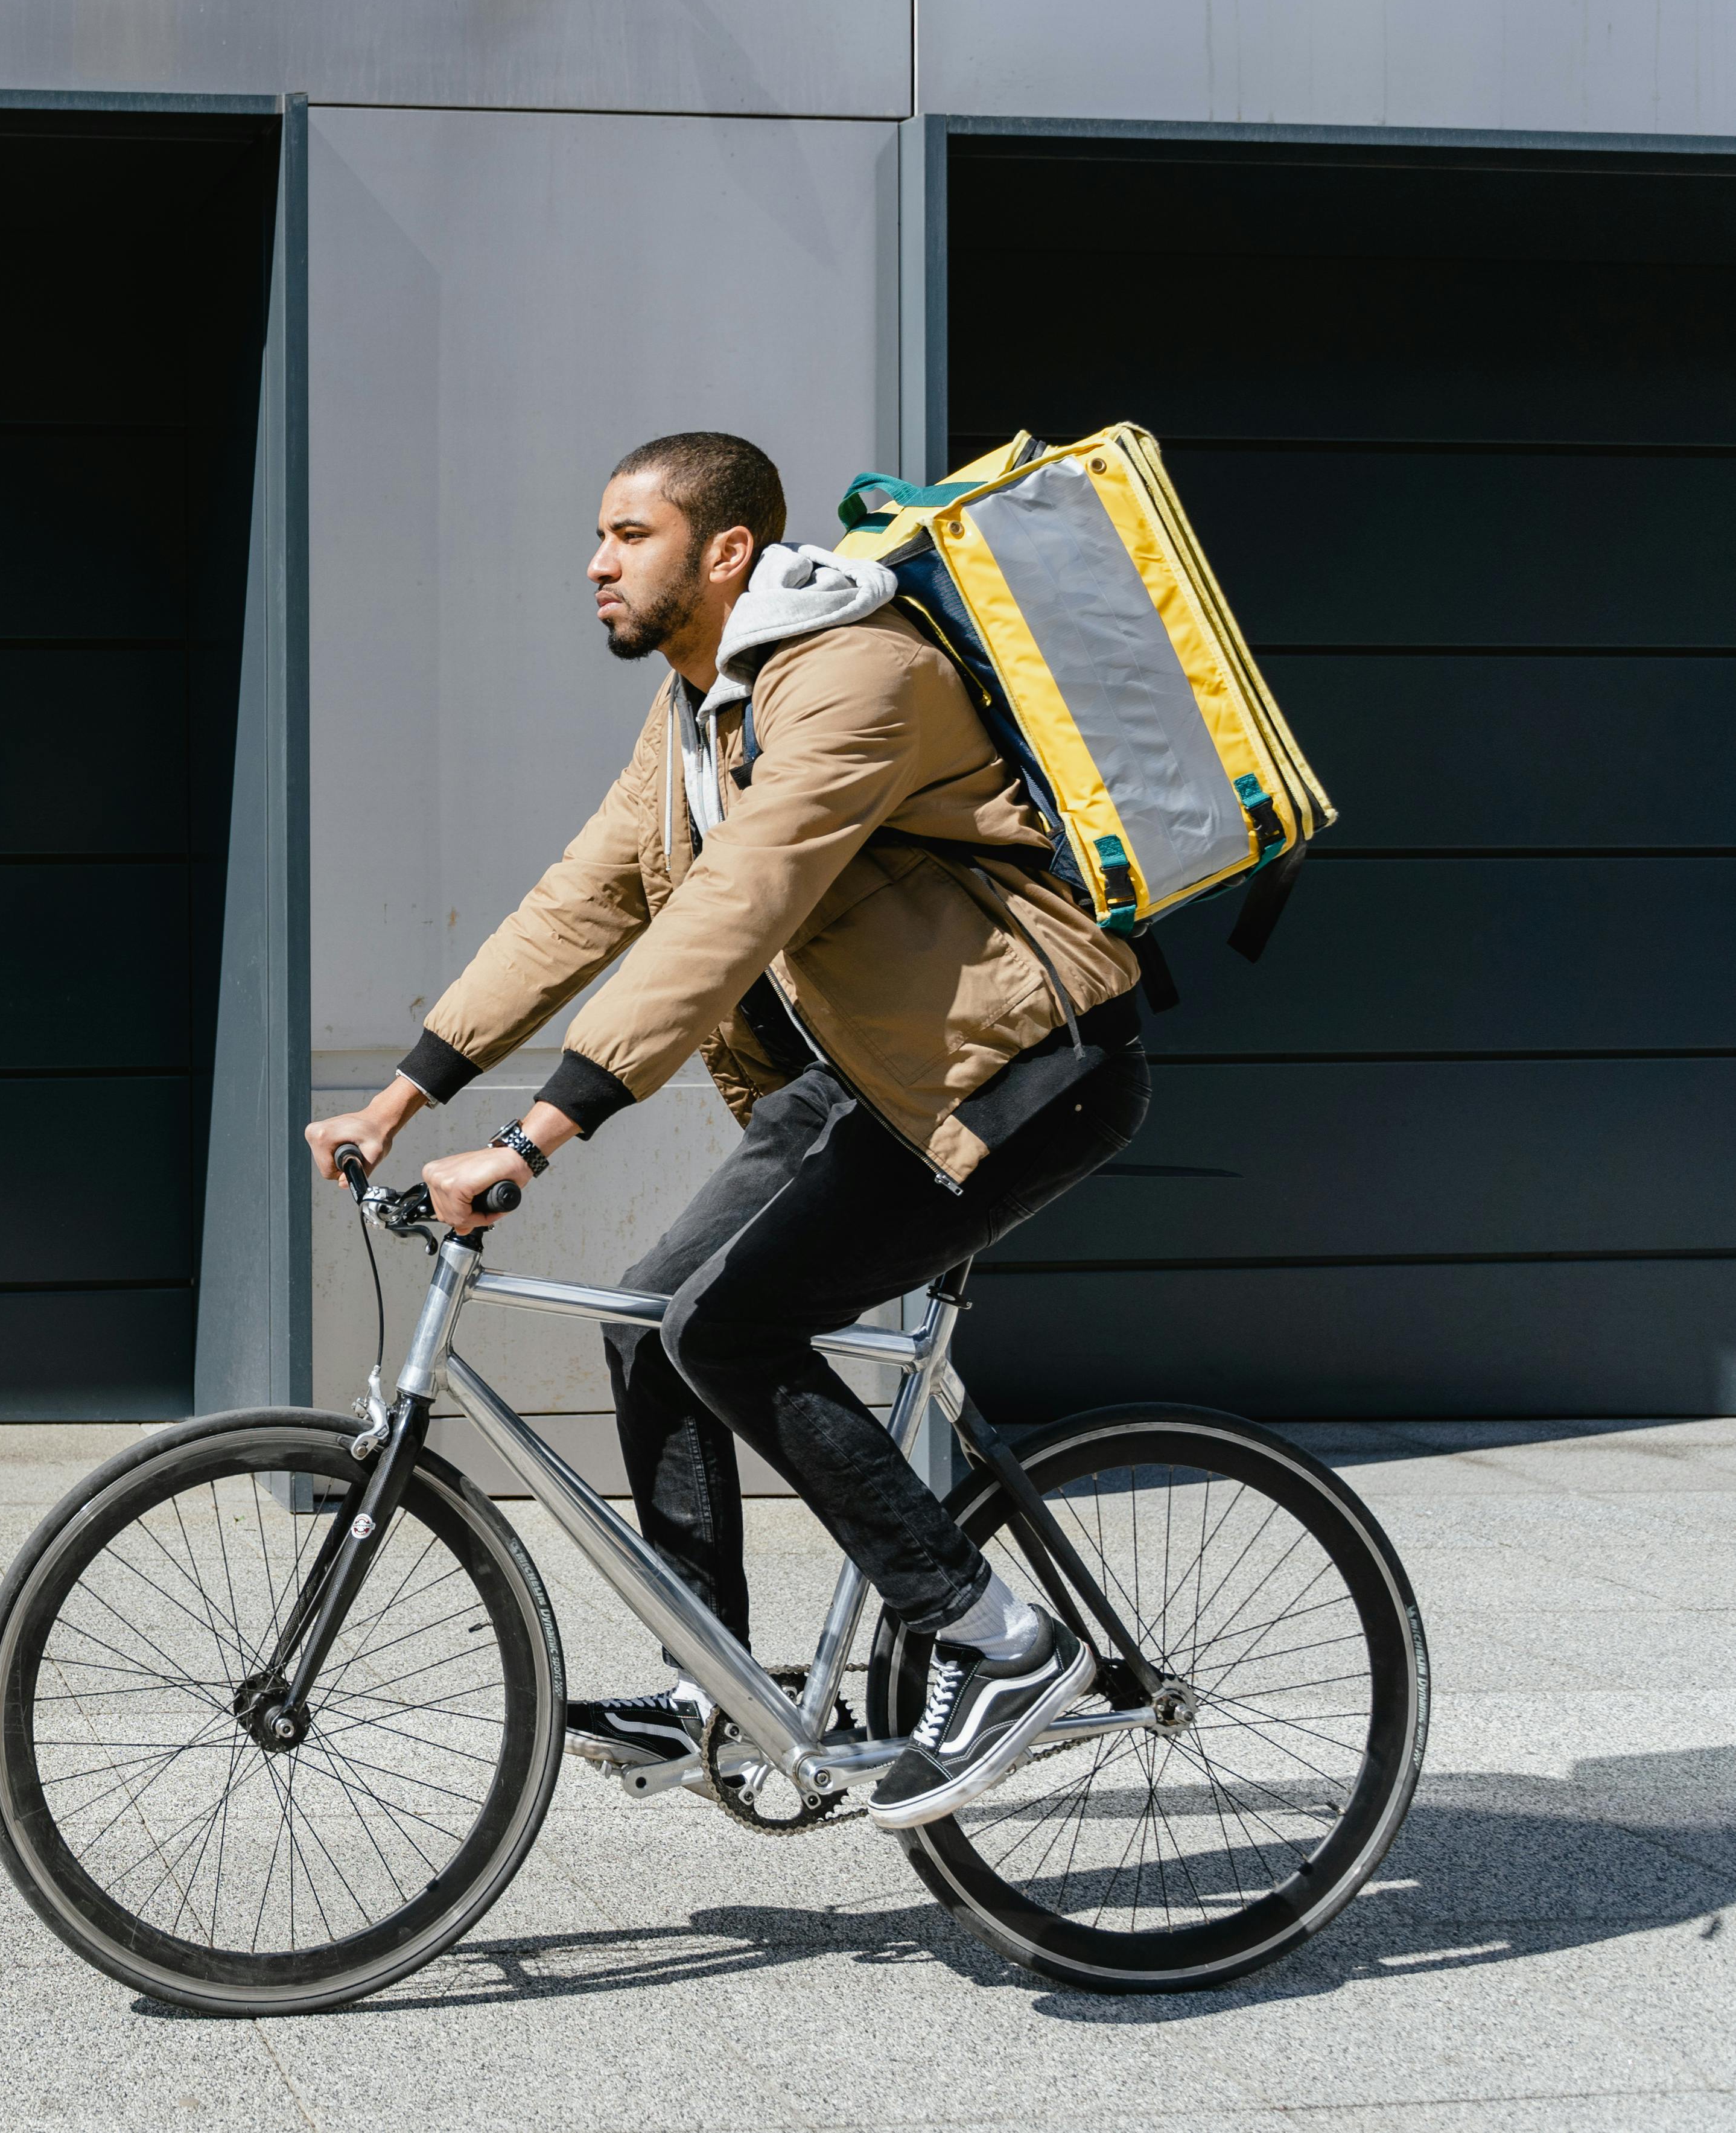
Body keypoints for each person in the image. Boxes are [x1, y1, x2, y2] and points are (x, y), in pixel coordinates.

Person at [302, 431, 1151, 1831]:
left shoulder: (861, 678)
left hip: (1021, 1067)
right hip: (878, 1077)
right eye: (600, 534)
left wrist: (532, 1145)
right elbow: (588, 899)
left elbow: (731, 911)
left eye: (628, 535)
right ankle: (716, 1678)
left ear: (728, 552)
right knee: (650, 1324)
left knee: (731, 1329)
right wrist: (405, 1096)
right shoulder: (704, 706)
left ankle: (995, 1637)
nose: (595, 562)